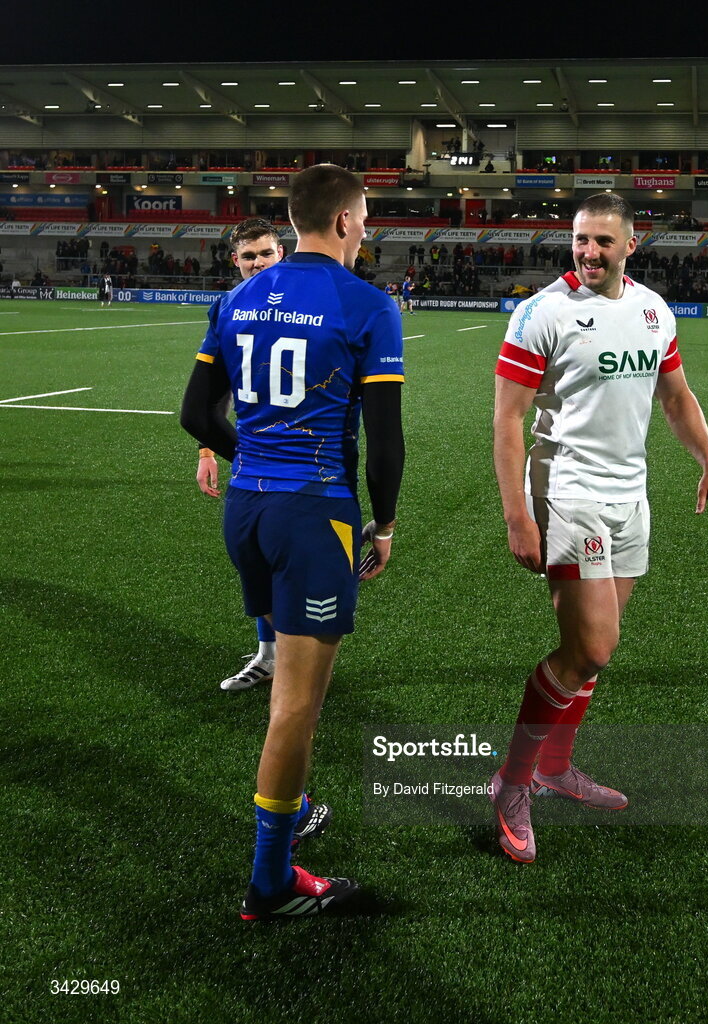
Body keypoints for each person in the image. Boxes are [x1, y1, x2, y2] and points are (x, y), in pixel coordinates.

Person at [181, 164, 405, 917]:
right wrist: (387, 522)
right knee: (295, 708)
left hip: (244, 512)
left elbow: (195, 416)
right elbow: (384, 444)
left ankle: (296, 806)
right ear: (343, 221)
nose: (366, 226)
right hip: (313, 517)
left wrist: (252, 458)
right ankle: (270, 881)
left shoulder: (236, 297)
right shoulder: (366, 303)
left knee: (287, 687)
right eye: (365, 215)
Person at [490, 193, 708, 864]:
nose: (588, 252)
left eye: (601, 240)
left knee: (598, 651)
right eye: (579, 240)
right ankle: (510, 785)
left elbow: (676, 397)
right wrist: (518, 514)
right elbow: (508, 420)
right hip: (569, 493)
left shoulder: (654, 310)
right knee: (589, 649)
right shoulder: (542, 314)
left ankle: (556, 768)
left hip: (632, 496)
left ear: (632, 244)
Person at [194, 217, 286, 692]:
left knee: (298, 562)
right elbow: (217, 392)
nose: (257, 263)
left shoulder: (308, 302)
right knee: (253, 557)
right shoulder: (228, 307)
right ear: (235, 260)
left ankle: (300, 657)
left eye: (265, 253)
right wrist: (210, 448)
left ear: (281, 252)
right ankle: (269, 655)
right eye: (249, 256)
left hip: (307, 459)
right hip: (253, 458)